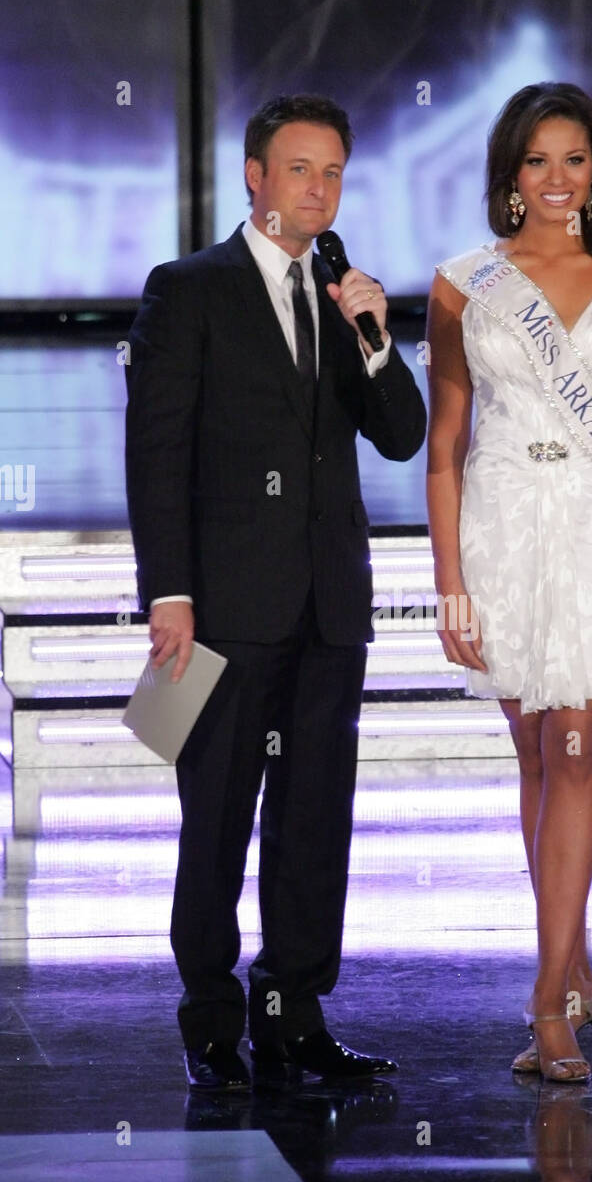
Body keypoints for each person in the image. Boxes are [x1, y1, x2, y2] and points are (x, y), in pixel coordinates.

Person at [125, 94, 426, 1090]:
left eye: (333, 172)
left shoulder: (340, 296)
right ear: (254, 175)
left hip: (328, 607)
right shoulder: (189, 288)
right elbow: (158, 450)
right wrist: (168, 592)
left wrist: (374, 336)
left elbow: (400, 432)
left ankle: (294, 1011)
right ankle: (210, 1015)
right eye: (300, 169)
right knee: (214, 814)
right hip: (224, 604)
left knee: (313, 817)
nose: (319, 189)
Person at [426, 82, 592, 1083]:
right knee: (534, 755)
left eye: (571, 160)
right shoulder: (463, 284)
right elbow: (443, 444)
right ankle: (568, 955)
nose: (554, 179)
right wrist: (446, 578)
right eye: (535, 160)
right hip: (497, 526)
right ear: (508, 173)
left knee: (574, 749)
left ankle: (545, 1005)